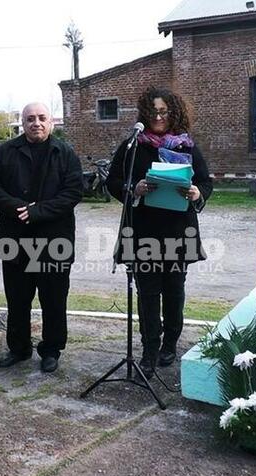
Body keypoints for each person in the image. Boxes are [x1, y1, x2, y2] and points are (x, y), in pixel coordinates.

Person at [106, 87, 213, 379]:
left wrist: (195, 192)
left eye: (163, 111)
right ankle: (149, 350)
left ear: (173, 112)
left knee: (174, 292)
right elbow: (113, 181)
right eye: (152, 111)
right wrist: (133, 189)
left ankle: (170, 344)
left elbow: (206, 182)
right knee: (148, 294)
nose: (157, 116)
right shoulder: (133, 145)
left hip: (179, 233)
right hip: (143, 232)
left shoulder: (187, 146)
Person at [0, 102, 83, 373]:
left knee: (53, 300)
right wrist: (18, 209)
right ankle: (18, 348)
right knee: (17, 299)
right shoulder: (6, 152)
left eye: (41, 118)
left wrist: (38, 211)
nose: (35, 123)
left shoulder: (65, 153)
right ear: (22, 123)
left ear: (51, 122)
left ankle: (51, 350)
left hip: (54, 241)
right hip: (14, 238)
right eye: (30, 119)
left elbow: (73, 192)